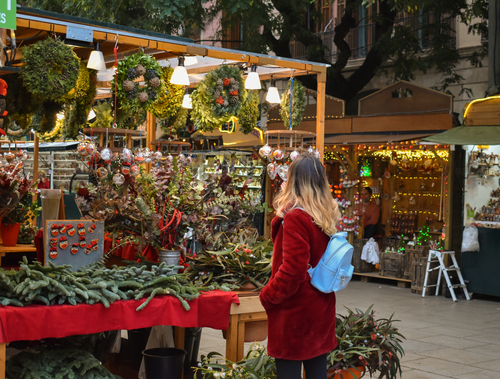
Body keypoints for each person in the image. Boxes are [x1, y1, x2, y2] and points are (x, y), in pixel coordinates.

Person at [259, 154, 340, 379]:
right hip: (320, 309)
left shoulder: (296, 216)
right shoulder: (324, 215)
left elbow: (293, 270)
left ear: (294, 180)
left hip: (294, 315)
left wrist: (267, 296)